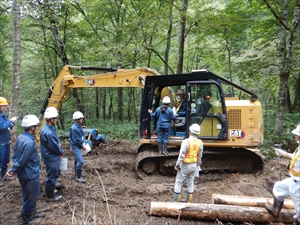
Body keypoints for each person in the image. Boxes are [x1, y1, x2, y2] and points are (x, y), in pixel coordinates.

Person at [6, 115, 45, 224]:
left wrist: (14, 168)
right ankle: (27, 218)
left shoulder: (20, 138)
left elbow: (15, 156)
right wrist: (13, 169)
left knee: (30, 194)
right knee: (31, 196)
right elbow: (23, 160)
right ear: (32, 127)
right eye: (36, 126)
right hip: (30, 173)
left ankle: (33, 212)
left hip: (26, 173)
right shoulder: (29, 142)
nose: (37, 127)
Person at [264, 124, 300, 225]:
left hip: (299, 184)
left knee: (299, 210)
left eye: (297, 135)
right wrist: (283, 153)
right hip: (293, 180)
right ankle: (276, 210)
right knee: (279, 187)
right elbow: (295, 157)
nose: (295, 137)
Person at [172, 123, 203, 203]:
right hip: (194, 165)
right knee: (190, 183)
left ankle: (175, 202)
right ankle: (188, 201)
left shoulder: (186, 142)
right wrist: (197, 165)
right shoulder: (200, 142)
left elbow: (181, 155)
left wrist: (177, 165)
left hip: (185, 165)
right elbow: (199, 155)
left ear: (191, 132)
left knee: (179, 181)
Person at [40, 107, 64, 202]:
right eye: (56, 118)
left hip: (50, 155)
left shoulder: (50, 127)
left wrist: (58, 143)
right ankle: (50, 196)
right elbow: (54, 147)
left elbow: (55, 138)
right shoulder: (48, 132)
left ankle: (47, 190)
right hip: (50, 156)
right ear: (52, 119)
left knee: (54, 172)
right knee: (52, 174)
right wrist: (61, 151)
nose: (56, 120)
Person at [0, 96, 17, 181]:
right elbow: (2, 126)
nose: (5, 107)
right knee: (0, 161)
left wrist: (12, 123)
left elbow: (8, 126)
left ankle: (3, 176)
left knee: (6, 160)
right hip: (1, 143)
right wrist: (10, 121)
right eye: (4, 105)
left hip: (6, 142)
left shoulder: (3, 115)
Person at [69, 111, 86, 183]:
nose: (82, 119)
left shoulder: (79, 127)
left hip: (79, 145)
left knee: (76, 160)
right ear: (77, 119)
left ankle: (76, 174)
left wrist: (84, 142)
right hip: (75, 146)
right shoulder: (73, 128)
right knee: (80, 160)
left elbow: (82, 136)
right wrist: (82, 145)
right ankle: (78, 177)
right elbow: (76, 140)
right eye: (81, 118)